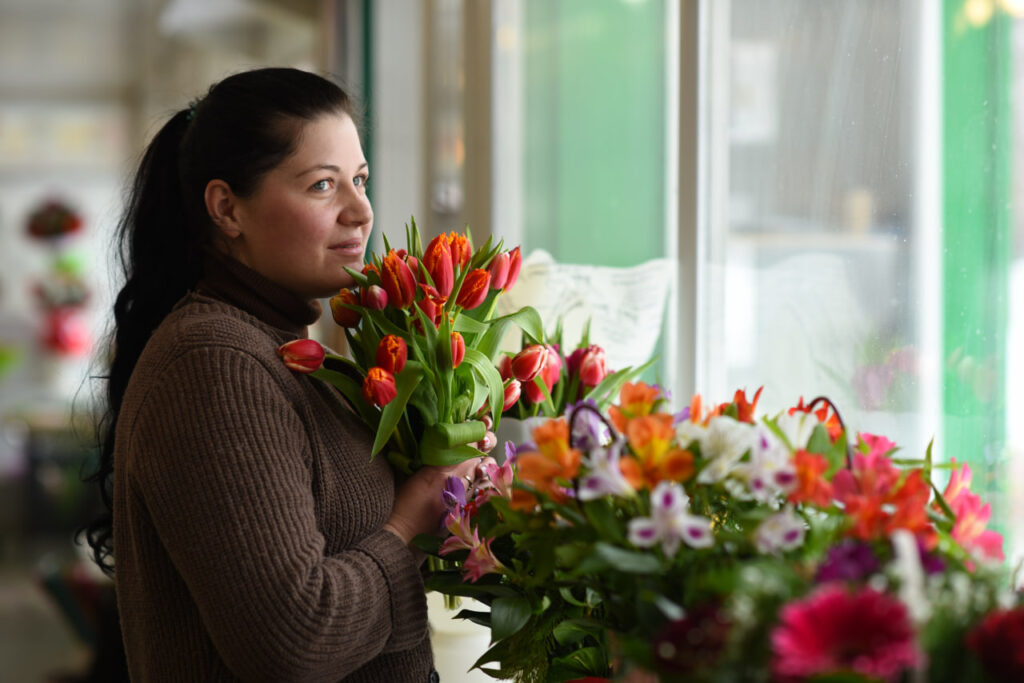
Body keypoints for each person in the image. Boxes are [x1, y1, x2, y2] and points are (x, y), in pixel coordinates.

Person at [82, 67, 482, 682]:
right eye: (323, 185)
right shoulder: (215, 363)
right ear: (227, 208)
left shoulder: (282, 352)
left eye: (360, 179)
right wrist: (410, 523)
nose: (361, 212)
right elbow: (296, 641)